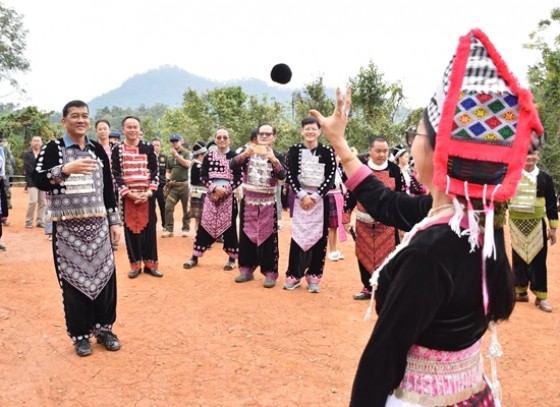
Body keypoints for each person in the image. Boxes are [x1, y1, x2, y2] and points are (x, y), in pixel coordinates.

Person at [311, 28, 543, 406]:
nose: (409, 143)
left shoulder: (429, 251)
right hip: (472, 396)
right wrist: (339, 142)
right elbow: (386, 203)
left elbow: (382, 358)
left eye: (414, 133)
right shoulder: (472, 219)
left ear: (439, 152)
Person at [32, 100, 122, 357]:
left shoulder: (96, 149)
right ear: (64, 121)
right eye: (74, 116)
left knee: (105, 280)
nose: (81, 120)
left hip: (99, 228)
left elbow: (107, 189)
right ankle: (81, 336)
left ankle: (105, 330)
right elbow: (38, 179)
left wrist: (114, 221)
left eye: (85, 116)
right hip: (68, 232)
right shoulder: (53, 148)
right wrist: (65, 169)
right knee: (74, 283)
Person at [283, 117, 336, 293]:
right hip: (300, 200)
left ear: (319, 131)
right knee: (298, 236)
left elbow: (330, 177)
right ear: (302, 131)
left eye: (314, 129)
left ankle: (314, 277)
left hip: (319, 201)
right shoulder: (293, 150)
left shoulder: (328, 152)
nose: (310, 132)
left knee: (320, 238)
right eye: (307, 129)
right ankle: (294, 275)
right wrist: (302, 195)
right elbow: (290, 174)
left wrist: (315, 196)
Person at [230, 123, 286, 288]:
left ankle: (270, 273)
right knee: (247, 236)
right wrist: (246, 153)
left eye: (268, 134)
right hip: (248, 202)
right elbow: (231, 165)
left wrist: (274, 160)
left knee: (269, 238)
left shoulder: (278, 155)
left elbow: (283, 176)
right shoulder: (247, 152)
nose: (264, 136)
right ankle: (246, 270)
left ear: (274, 137)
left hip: (268, 203)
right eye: (262, 133)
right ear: (257, 135)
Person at [351, 136, 403, 301]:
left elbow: (400, 195)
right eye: (378, 151)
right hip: (363, 222)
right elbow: (352, 193)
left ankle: (385, 288)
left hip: (388, 224)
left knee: (390, 256)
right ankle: (367, 288)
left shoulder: (395, 170)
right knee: (363, 253)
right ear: (370, 151)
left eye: (385, 151)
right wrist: (346, 217)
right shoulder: (361, 169)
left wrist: (401, 220)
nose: (382, 154)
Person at [183, 127, 242, 271]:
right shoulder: (209, 157)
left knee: (230, 228)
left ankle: (231, 259)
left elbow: (239, 178)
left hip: (228, 198)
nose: (222, 140)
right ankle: (195, 256)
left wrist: (225, 190)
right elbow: (202, 176)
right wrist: (214, 189)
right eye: (219, 137)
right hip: (211, 197)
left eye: (225, 137)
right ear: (215, 139)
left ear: (229, 140)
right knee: (204, 226)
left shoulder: (235, 157)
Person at [112, 116, 162, 279]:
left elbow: (155, 173)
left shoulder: (148, 148)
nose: (133, 130)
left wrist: (148, 193)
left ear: (140, 129)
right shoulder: (117, 150)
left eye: (135, 127)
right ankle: (135, 265)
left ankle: (151, 265)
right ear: (123, 129)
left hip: (147, 196)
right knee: (130, 232)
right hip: (128, 197)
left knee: (149, 231)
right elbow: (116, 174)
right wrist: (128, 193)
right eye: (129, 127)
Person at [509, 150, 557, 312]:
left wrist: (553, 229)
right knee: (518, 259)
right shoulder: (512, 175)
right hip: (516, 225)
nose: (529, 157)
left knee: (538, 260)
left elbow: (551, 204)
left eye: (533, 154)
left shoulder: (545, 178)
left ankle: (541, 297)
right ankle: (520, 292)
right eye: (526, 154)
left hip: (537, 225)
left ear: (538, 156)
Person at [162, 134, 191, 238]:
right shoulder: (169, 156)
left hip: (185, 186)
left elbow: (188, 164)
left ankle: (185, 228)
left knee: (186, 209)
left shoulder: (186, 153)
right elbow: (168, 170)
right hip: (173, 187)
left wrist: (177, 156)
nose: (174, 143)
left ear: (181, 141)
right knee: (168, 206)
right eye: (172, 141)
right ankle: (169, 229)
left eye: (176, 141)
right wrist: (168, 178)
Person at [24, 136, 46, 228]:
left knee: (42, 202)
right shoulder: (27, 154)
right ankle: (28, 221)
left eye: (38, 141)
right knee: (33, 201)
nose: (36, 142)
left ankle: (40, 221)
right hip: (32, 181)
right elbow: (28, 168)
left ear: (41, 143)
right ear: (31, 143)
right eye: (35, 141)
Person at [188, 140, 208, 233]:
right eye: (205, 155)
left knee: (199, 218)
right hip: (199, 193)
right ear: (200, 155)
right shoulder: (197, 165)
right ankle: (200, 237)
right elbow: (197, 180)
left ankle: (199, 237)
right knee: (201, 217)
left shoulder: (194, 164)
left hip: (197, 193)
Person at [151, 138, 168, 229]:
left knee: (163, 205)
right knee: (151, 206)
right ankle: (153, 224)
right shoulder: (148, 157)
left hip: (161, 186)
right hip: (151, 186)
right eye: (154, 145)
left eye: (158, 145)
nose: (156, 147)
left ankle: (165, 224)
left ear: (160, 147)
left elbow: (168, 171)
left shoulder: (164, 157)